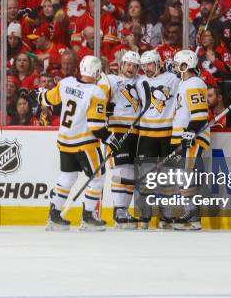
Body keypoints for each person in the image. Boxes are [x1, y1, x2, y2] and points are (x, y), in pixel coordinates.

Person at [41, 56, 114, 231]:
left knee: (67, 177)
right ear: (97, 72)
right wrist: (111, 138)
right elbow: (96, 126)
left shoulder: (66, 83)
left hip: (65, 141)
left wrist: (40, 93)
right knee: (98, 177)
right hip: (84, 144)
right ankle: (88, 217)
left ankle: (54, 216)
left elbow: (48, 99)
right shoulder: (96, 92)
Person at [135, 50, 180, 229]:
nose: (146, 68)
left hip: (167, 135)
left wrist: (177, 66)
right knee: (145, 179)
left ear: (158, 63)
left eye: (150, 64)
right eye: (144, 65)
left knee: (167, 179)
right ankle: (144, 218)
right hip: (146, 135)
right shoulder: (139, 82)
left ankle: (166, 217)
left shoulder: (173, 79)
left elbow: (189, 76)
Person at [101, 51, 143, 229]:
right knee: (121, 170)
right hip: (116, 130)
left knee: (131, 173)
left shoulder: (141, 81)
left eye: (134, 65)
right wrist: (105, 109)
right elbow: (98, 99)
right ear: (121, 65)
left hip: (136, 131)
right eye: (128, 64)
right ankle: (119, 210)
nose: (131, 68)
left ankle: (123, 210)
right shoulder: (110, 80)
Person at [169, 50, 210, 230]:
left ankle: (192, 215)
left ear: (186, 66)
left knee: (187, 175)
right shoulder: (184, 83)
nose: (176, 67)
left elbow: (200, 116)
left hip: (192, 136)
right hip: (183, 135)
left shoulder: (194, 83)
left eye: (178, 64)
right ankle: (190, 213)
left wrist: (190, 133)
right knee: (183, 175)